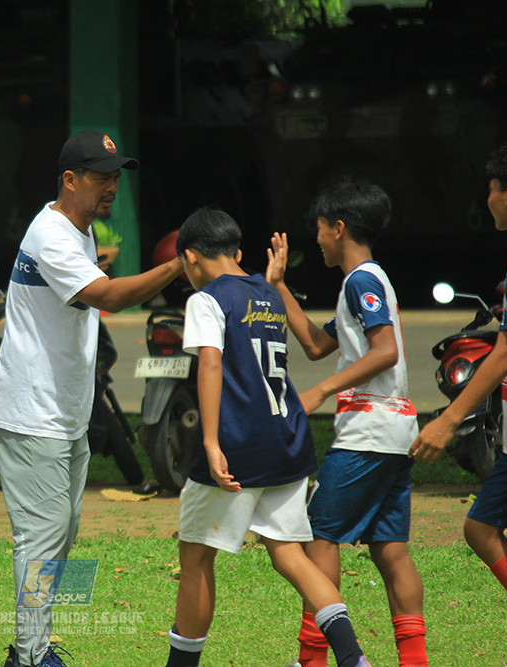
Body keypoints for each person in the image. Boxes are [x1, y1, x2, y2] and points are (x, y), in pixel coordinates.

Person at [0, 130, 184, 667]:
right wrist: (177, 265)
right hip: (31, 412)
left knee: (61, 535)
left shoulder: (81, 231)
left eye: (115, 177)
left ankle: (31, 647)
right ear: (70, 180)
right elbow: (108, 296)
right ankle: (30, 656)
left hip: (63, 410)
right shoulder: (51, 234)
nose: (111, 186)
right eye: (100, 177)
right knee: (41, 538)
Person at [162, 207, 370, 667]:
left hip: (238, 444)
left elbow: (210, 363)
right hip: (287, 441)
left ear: (191, 258)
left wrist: (211, 443)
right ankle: (353, 657)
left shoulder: (207, 299)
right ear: (237, 253)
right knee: (291, 555)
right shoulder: (270, 293)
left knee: (196, 560)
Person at [266, 182, 427, 667]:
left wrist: (320, 392)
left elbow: (385, 351)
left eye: (319, 229)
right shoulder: (367, 282)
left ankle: (313, 658)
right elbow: (317, 344)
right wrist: (278, 286)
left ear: (338, 228)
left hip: (368, 433)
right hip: (395, 432)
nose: (317, 239)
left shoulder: (361, 281)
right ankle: (414, 660)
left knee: (319, 537)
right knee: (390, 549)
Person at [410, 137, 507, 667]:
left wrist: (449, 419)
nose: (487, 198)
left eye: (492, 189)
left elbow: (506, 351)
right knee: (479, 528)